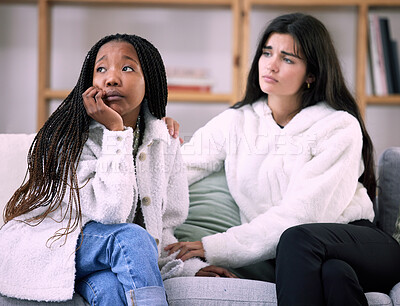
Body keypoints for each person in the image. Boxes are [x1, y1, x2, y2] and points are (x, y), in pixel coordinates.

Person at [165, 13, 400, 305]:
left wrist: (215, 246)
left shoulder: (339, 126)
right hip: (302, 259)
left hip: (359, 243)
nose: (271, 64)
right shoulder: (234, 123)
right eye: (267, 53)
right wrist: (156, 137)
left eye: (288, 59)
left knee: (296, 237)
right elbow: (173, 173)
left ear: (311, 75)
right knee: (335, 276)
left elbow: (305, 215)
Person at [0, 33, 234, 306]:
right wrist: (115, 132)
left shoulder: (163, 141)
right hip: (50, 248)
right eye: (101, 69)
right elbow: (112, 213)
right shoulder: (69, 138)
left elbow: (161, 231)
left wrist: (192, 268)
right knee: (131, 237)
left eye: (127, 68)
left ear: (151, 81)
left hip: (100, 261)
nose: (111, 78)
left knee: (111, 289)